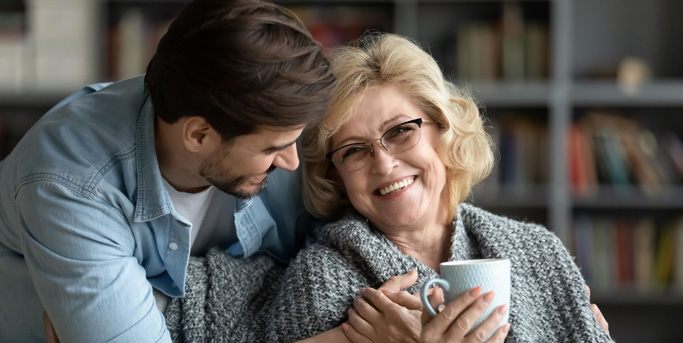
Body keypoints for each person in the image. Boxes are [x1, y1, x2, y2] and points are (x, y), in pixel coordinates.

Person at [0, 0, 337, 341]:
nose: (292, 163)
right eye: (271, 149)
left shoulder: (270, 116)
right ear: (198, 134)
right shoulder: (70, 184)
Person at [262, 33, 614, 343]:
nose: (384, 164)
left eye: (401, 131)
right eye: (354, 150)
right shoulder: (318, 282)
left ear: (444, 129)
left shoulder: (538, 252)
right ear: (334, 176)